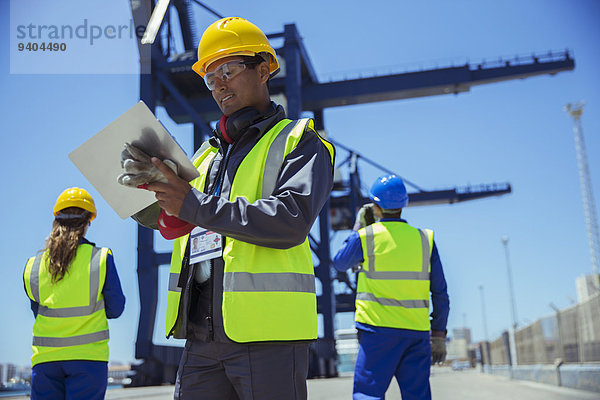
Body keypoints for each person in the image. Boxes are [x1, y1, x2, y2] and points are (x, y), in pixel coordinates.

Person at [118, 17, 335, 400]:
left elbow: (290, 221)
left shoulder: (300, 141)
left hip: (269, 337)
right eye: (209, 77)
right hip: (201, 338)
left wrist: (193, 202)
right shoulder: (204, 156)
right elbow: (177, 222)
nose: (218, 84)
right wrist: (146, 194)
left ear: (264, 70)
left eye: (228, 71)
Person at [333, 174, 449, 400]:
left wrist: (357, 228)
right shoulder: (425, 240)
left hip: (377, 332)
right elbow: (440, 293)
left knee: (369, 395)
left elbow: (340, 262)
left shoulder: (365, 237)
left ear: (375, 207)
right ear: (403, 205)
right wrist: (439, 332)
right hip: (415, 333)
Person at [23, 187, 126, 400]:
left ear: (56, 219)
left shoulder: (34, 265)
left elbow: (38, 311)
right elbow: (116, 309)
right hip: (88, 360)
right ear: (88, 221)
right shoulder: (101, 258)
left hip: (45, 361)